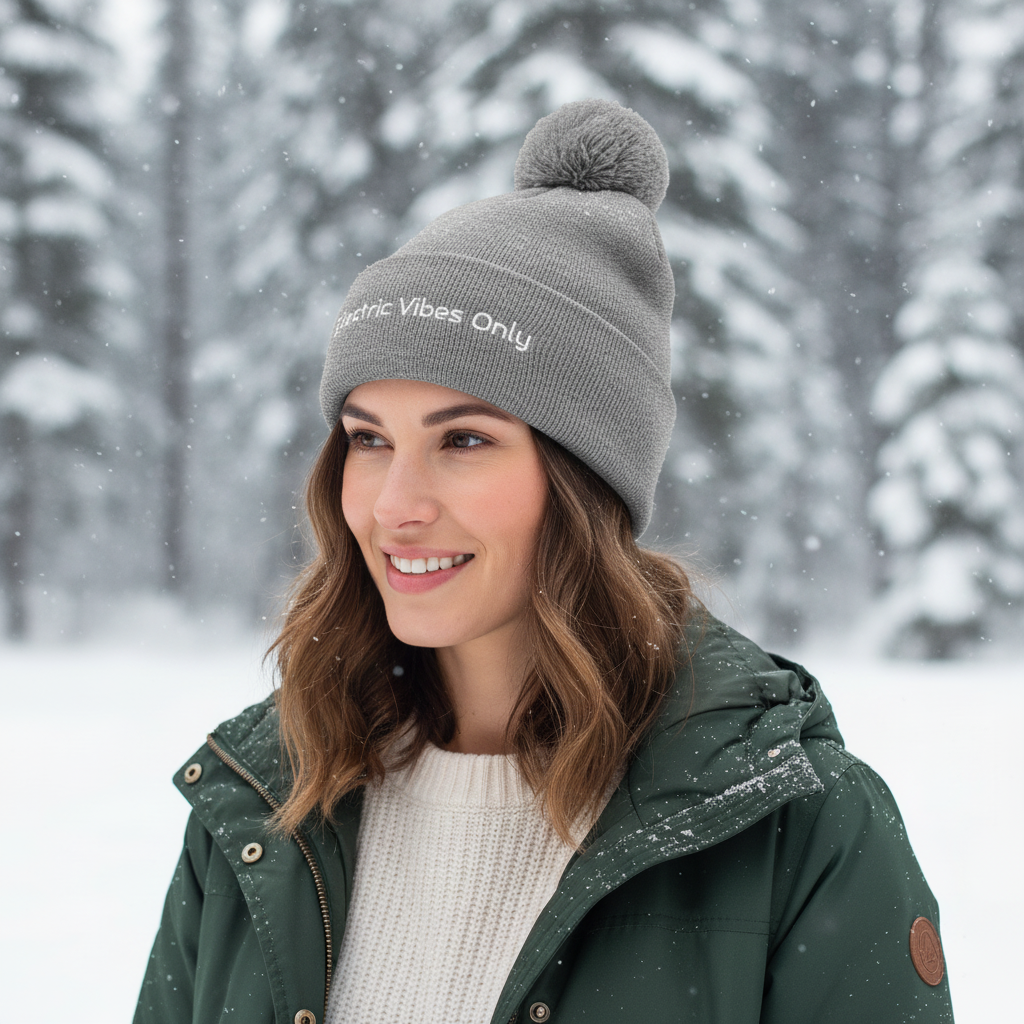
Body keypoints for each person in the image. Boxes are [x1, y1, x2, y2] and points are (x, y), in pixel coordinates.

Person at [134, 100, 954, 1024]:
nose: (396, 504)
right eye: (368, 440)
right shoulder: (266, 809)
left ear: (581, 481)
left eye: (466, 441)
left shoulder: (792, 827)